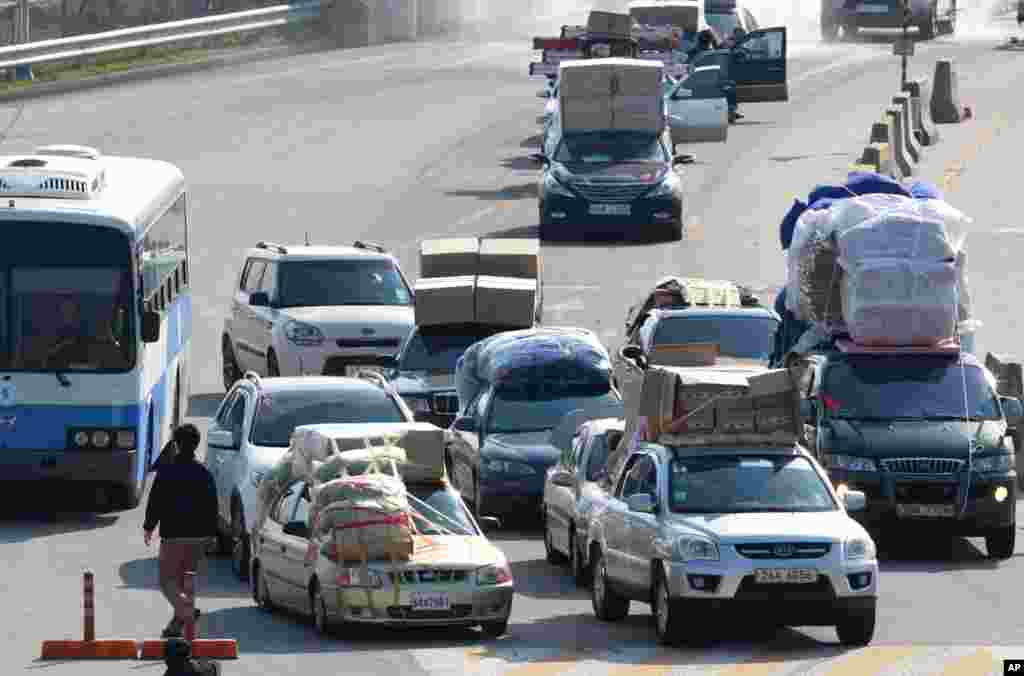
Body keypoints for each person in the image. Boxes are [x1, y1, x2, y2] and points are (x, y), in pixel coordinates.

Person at [143, 424, 219, 639]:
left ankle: (186, 613)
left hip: (174, 535)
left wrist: (149, 527)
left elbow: (155, 501)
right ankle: (177, 628)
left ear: (175, 444)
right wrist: (212, 534)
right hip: (200, 536)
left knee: (168, 581)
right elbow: (212, 505)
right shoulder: (203, 472)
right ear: (197, 444)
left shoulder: (167, 470)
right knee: (186, 583)